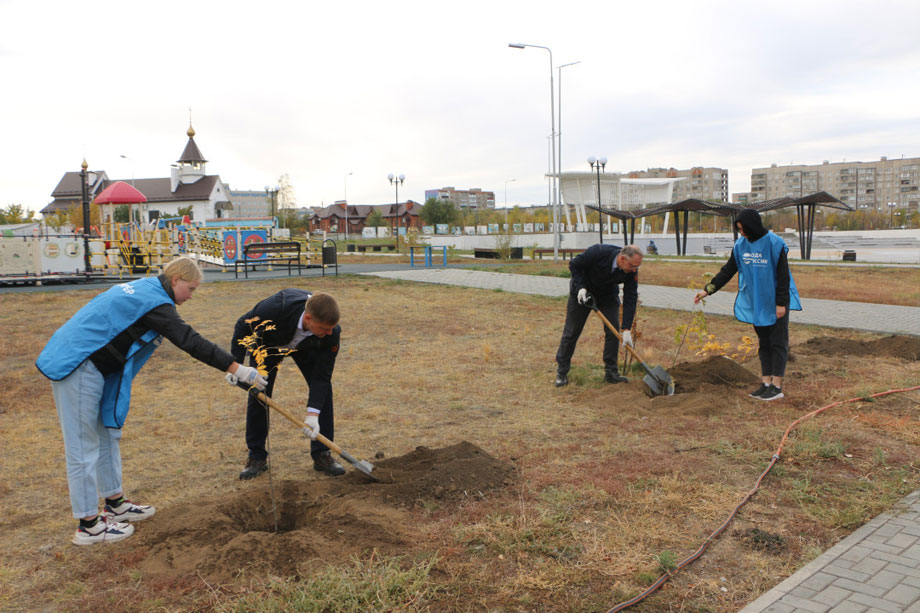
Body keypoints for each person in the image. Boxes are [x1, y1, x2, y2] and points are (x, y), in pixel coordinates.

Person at [36, 256, 266, 546]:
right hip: (78, 364)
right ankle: (88, 526)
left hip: (98, 367)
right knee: (82, 446)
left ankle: (115, 503)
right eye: (191, 289)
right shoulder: (154, 302)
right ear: (175, 281)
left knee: (107, 434)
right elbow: (188, 340)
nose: (191, 296)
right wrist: (237, 368)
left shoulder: (149, 290)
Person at [231, 289, 344, 479]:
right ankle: (256, 457)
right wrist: (235, 365)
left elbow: (321, 378)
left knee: (324, 393)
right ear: (308, 318)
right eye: (325, 328)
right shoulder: (274, 310)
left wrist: (312, 415)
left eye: (331, 328)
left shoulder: (329, 334)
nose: (330, 332)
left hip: (307, 346)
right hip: (268, 345)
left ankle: (322, 454)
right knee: (259, 393)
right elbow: (242, 326)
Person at [694, 209, 801, 401]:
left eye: (743, 229)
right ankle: (766, 382)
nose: (741, 233)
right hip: (757, 303)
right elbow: (727, 271)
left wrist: (781, 304)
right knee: (764, 344)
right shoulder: (741, 245)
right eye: (739, 230)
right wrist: (707, 290)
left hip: (775, 303)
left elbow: (784, 277)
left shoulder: (774, 243)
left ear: (752, 226)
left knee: (778, 343)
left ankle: (777, 386)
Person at [555, 244, 643, 387]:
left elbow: (630, 298)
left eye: (637, 267)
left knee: (613, 332)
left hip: (607, 296)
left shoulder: (631, 271)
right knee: (571, 332)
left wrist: (626, 329)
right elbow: (574, 265)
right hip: (583, 292)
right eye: (633, 266)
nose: (634, 270)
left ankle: (611, 372)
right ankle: (562, 371)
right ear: (622, 259)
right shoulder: (599, 252)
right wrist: (581, 288)